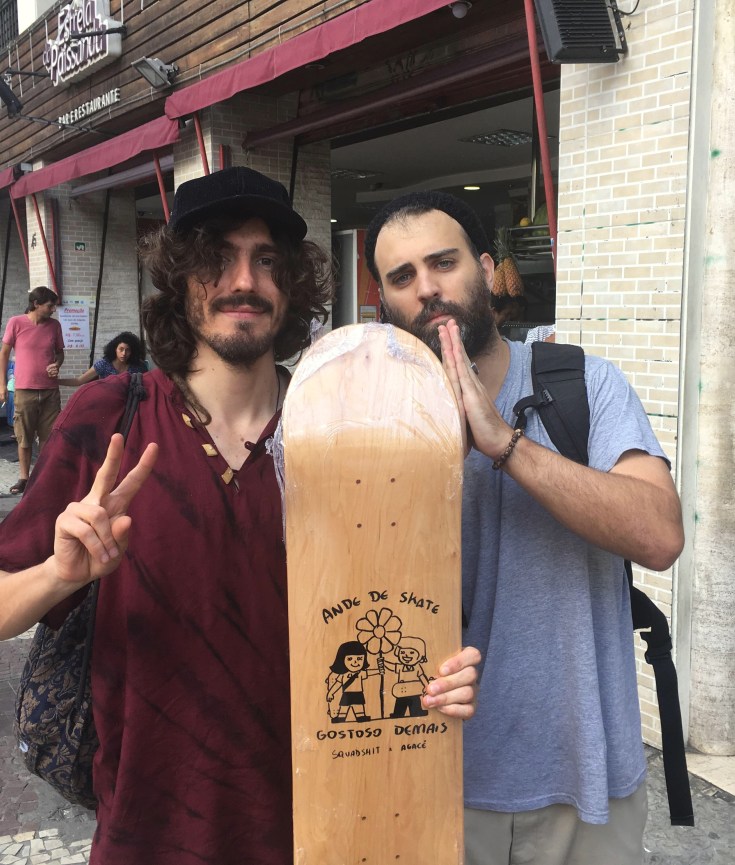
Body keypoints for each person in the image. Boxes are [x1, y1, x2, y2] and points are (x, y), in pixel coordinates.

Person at [0, 168, 479, 865]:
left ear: (292, 284)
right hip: (147, 834)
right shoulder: (109, 418)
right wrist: (58, 574)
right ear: (180, 279)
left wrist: (441, 677)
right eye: (216, 259)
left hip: (321, 834)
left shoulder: (342, 429)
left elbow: (396, 610)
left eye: (266, 261)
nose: (244, 281)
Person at [363, 190, 684, 865]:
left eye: (443, 263)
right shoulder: (367, 422)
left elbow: (659, 535)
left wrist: (504, 443)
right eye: (402, 276)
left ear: (485, 269)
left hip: (585, 786)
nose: (427, 288)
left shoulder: (582, 384)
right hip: (432, 780)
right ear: (383, 302)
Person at [0, 285, 65, 495]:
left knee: (49, 436)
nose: (53, 310)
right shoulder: (16, 322)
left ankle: (43, 477)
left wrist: (57, 364)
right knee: (24, 437)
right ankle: (24, 478)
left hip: (50, 391)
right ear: (36, 304)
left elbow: (60, 353)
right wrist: (2, 385)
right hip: (24, 390)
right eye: (50, 306)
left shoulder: (54, 326)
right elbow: (4, 354)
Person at [56, 331, 148, 386]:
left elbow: (148, 385)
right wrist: (56, 382)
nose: (124, 353)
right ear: (115, 349)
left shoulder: (139, 366)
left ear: (133, 352)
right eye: (121, 349)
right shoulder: (104, 364)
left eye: (127, 350)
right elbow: (79, 381)